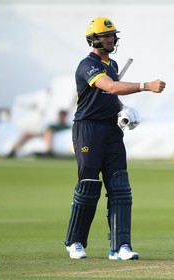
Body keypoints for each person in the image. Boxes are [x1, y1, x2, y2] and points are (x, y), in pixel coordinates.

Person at [64, 17, 166, 260]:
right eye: (105, 36)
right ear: (93, 40)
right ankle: (75, 241)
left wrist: (123, 109)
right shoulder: (87, 65)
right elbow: (110, 87)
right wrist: (146, 85)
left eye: (112, 35)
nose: (110, 39)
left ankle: (120, 246)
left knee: (120, 187)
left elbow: (111, 95)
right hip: (88, 129)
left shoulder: (113, 63)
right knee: (89, 185)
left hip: (111, 130)